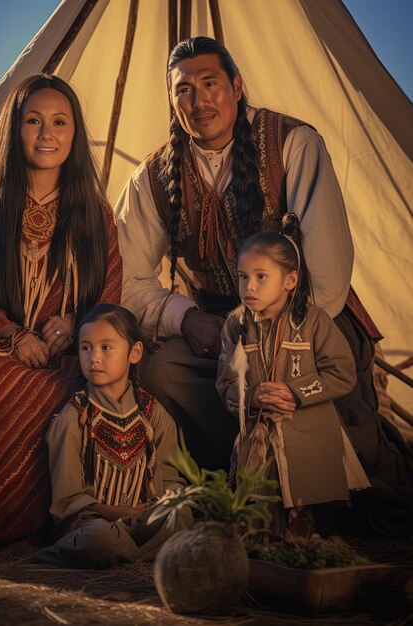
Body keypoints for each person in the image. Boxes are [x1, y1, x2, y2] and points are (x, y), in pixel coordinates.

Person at [116, 36, 413, 534]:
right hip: (219, 343)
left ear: (236, 86)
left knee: (367, 492)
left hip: (308, 330)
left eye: (210, 83)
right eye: (184, 90)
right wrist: (187, 318)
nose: (199, 100)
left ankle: (356, 460)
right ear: (173, 103)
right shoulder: (153, 176)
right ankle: (248, 480)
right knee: (159, 369)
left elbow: (328, 275)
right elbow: (126, 280)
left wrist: (263, 342)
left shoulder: (295, 144)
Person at [0, 74, 122, 555]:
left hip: (63, 363)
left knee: (35, 397)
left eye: (60, 122)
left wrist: (77, 324)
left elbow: (110, 299)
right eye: (34, 121)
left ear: (74, 134)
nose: (47, 133)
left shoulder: (95, 213)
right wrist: (13, 334)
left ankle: (2, 522)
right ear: (14, 130)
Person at [216, 213, 371, 533]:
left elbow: (342, 372)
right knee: (261, 524)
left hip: (309, 439)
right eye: (244, 277)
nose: (250, 286)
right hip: (260, 442)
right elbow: (227, 383)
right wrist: (252, 397)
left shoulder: (314, 322)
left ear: (290, 280)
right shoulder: (236, 324)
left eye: (261, 276)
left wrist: (296, 392)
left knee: (308, 522)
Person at [37, 304, 190, 569]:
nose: (94, 357)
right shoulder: (74, 419)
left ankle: (128, 552)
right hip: (93, 524)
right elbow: (67, 502)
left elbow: (170, 477)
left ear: (135, 352)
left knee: (182, 514)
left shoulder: (154, 415)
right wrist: (117, 513)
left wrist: (168, 504)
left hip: (143, 521)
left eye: (106, 347)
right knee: (98, 539)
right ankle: (144, 555)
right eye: (86, 348)